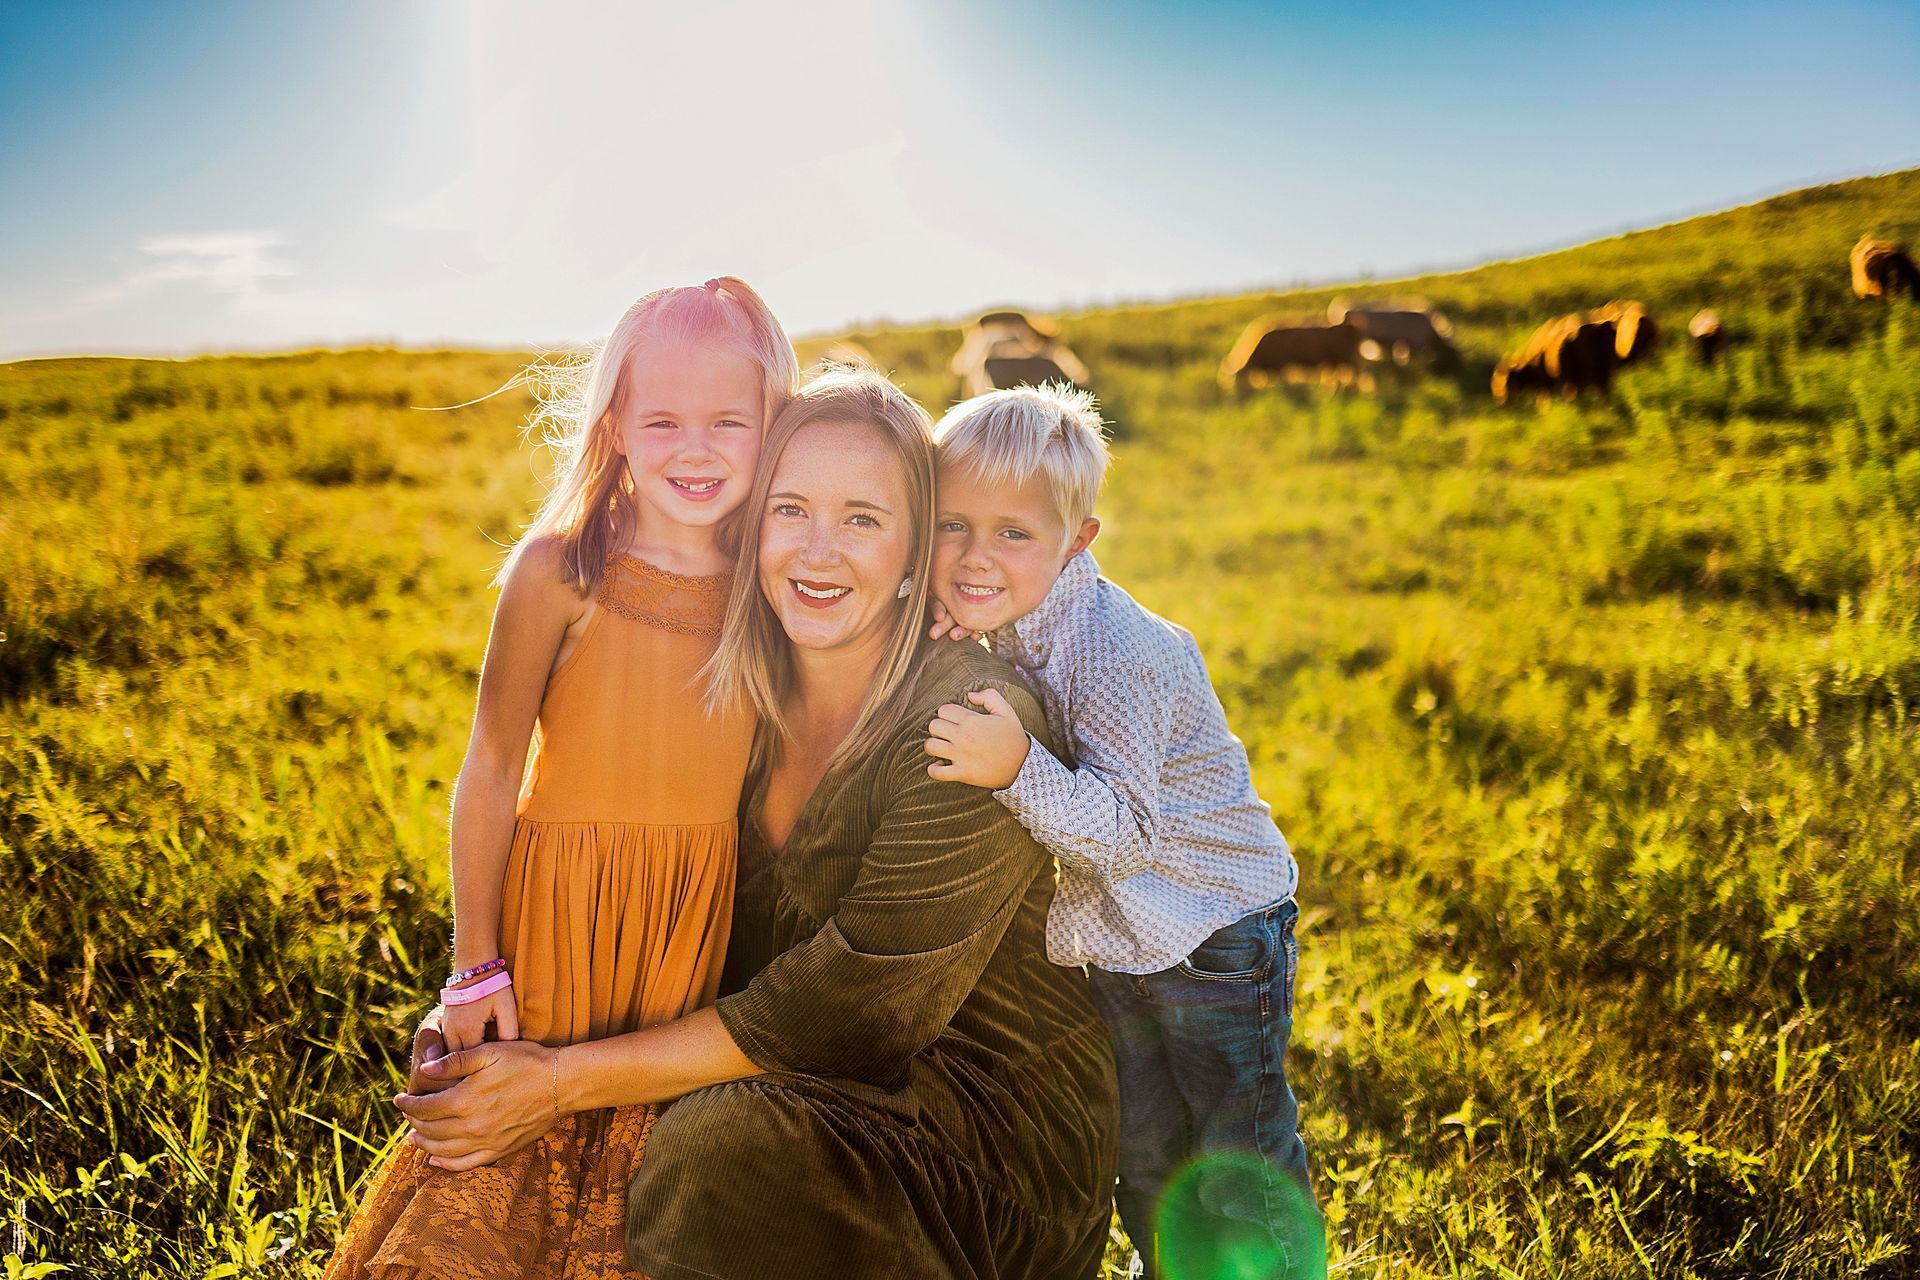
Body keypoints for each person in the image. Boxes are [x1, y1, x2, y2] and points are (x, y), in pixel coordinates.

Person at [386, 367, 1119, 1280]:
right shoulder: (738, 701)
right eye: (790, 510)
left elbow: (852, 1011)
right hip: (774, 1081)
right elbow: (624, 886)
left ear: (915, 548)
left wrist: (562, 1081)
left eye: (863, 519)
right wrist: (498, 1016)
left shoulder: (974, 723)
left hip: (980, 1141)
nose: (819, 551)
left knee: (717, 1144)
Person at [325, 276, 800, 1279]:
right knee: (500, 1142)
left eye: (728, 420)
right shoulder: (563, 569)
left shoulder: (769, 584)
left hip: (682, 926)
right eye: (663, 419)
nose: (697, 448)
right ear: (617, 425)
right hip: (556, 917)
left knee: (627, 1175)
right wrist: (472, 965)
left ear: (772, 426)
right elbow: (492, 769)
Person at [922, 383, 1323, 1278]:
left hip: (1217, 932)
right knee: (1142, 1150)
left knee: (1237, 1151)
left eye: (1013, 533)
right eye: (952, 526)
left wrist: (1015, 765)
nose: (975, 557)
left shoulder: (1116, 649)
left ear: (1079, 541)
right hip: (1126, 940)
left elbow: (1127, 835)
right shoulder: (1020, 616)